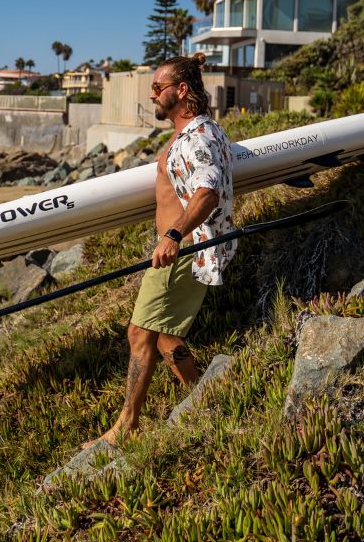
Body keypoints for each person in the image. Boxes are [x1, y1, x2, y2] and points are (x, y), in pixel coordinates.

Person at [89, 51, 236, 447]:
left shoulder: (197, 138)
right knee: (165, 336)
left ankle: (126, 426)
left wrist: (172, 236)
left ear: (181, 91)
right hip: (184, 248)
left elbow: (207, 192)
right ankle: (205, 400)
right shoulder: (203, 132)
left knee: (139, 333)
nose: (152, 95)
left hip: (183, 250)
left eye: (158, 87)